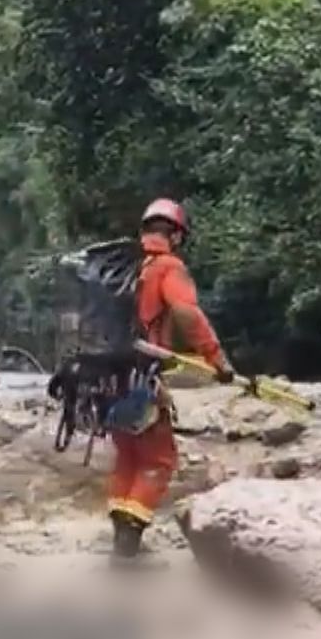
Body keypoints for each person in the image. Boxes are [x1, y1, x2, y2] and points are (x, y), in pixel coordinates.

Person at [111, 198, 234, 564]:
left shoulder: (125, 270)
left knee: (128, 457)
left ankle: (122, 543)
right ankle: (127, 549)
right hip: (140, 374)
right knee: (159, 459)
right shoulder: (167, 268)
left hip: (105, 377)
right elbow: (187, 314)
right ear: (176, 235)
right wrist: (218, 358)